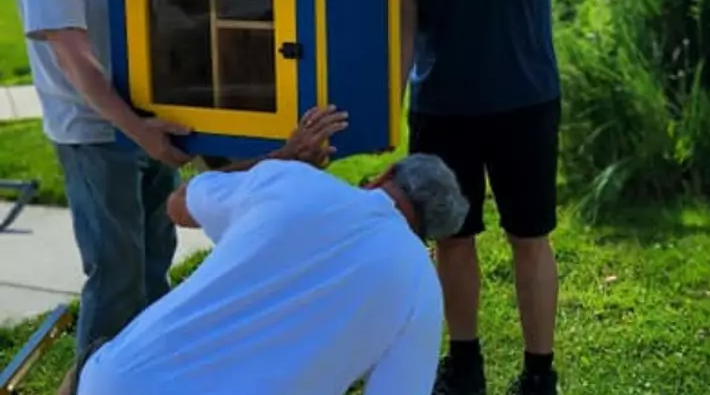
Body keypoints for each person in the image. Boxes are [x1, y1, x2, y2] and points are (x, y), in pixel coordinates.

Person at [57, 105, 470, 395]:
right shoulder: (421, 290)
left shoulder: (294, 181)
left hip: (121, 380)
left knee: (94, 370)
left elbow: (178, 205)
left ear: (385, 175)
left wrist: (282, 158)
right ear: (429, 235)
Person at [388, 0, 567, 395]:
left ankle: (538, 373)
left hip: (524, 89)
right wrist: (394, 89)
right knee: (451, 238)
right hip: (442, 97)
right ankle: (463, 364)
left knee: (529, 235)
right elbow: (403, 0)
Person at [9, 0, 196, 357]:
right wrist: (141, 131)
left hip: (143, 112)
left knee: (154, 262)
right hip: (95, 131)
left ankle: (147, 375)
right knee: (116, 277)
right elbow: (76, 62)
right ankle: (97, 380)